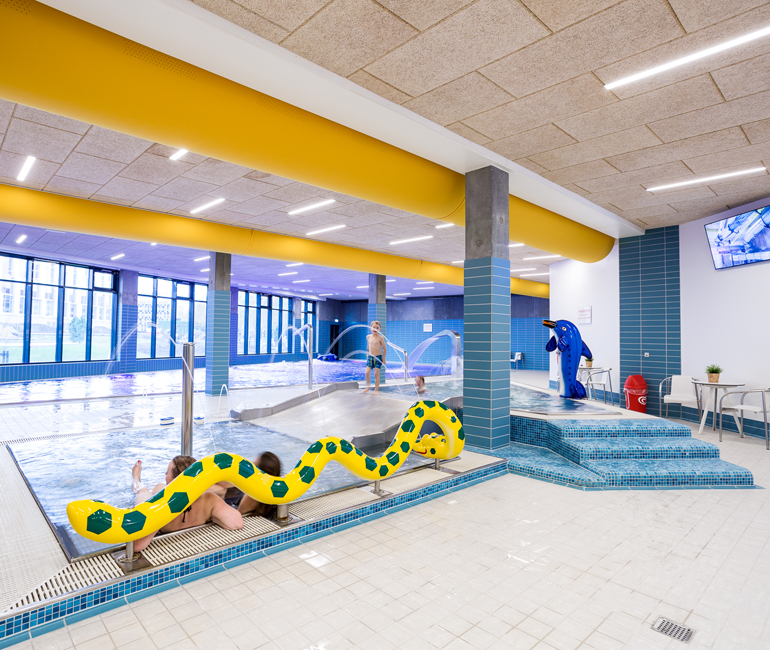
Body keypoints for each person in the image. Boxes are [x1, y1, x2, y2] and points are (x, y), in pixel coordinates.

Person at [131, 456, 243, 552]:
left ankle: (136, 479)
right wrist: (213, 516)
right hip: (198, 545)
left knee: (145, 490)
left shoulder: (163, 502)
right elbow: (236, 523)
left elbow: (137, 545)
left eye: (167, 472)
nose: (165, 474)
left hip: (170, 544)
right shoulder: (209, 498)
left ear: (175, 480)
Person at [238, 452, 283, 518]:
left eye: (254, 464)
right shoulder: (278, 485)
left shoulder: (253, 493)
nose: (252, 463)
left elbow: (240, 512)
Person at [362, 320, 387, 395]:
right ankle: (368, 387)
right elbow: (368, 346)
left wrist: (384, 359)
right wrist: (367, 355)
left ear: (379, 329)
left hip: (378, 358)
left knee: (376, 374)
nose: (375, 329)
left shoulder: (380, 338)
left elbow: (385, 348)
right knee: (367, 373)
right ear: (370, 328)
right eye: (374, 327)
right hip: (370, 357)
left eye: (377, 327)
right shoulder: (368, 337)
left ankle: (376, 390)